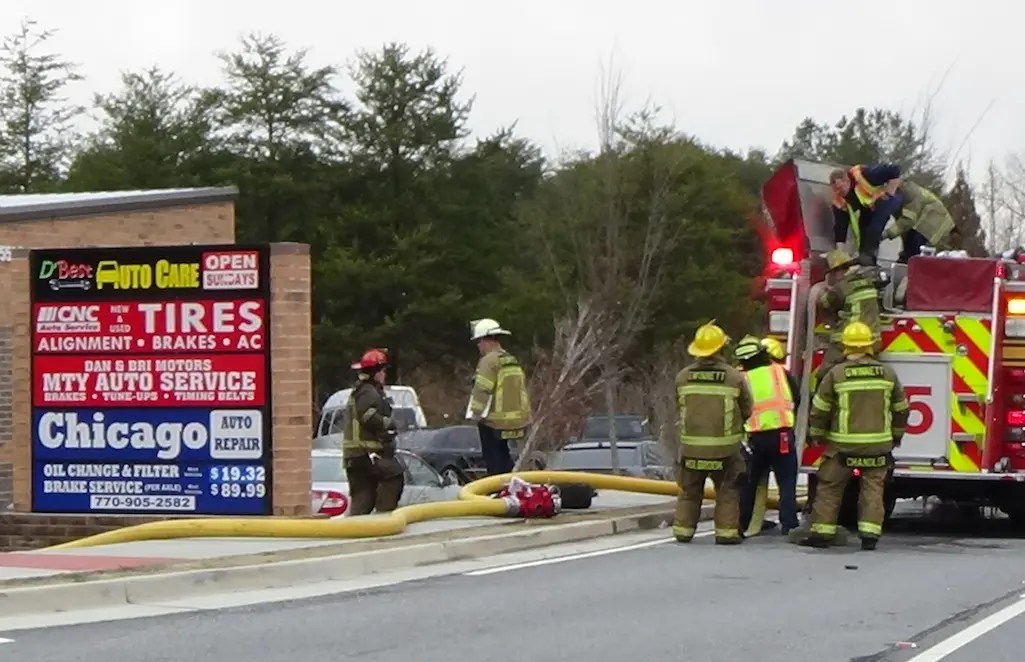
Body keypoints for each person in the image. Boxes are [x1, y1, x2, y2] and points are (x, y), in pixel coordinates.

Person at [801, 321, 909, 550]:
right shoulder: (887, 374)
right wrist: (896, 436)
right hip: (878, 446)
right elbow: (901, 409)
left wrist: (817, 435)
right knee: (873, 490)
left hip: (843, 447)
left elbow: (820, 409)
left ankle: (822, 533)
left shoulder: (836, 374)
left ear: (845, 346)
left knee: (830, 487)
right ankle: (870, 536)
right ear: (870, 346)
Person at [672, 321, 754, 545]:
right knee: (728, 490)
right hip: (725, 450)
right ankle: (726, 533)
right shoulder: (734, 377)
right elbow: (747, 409)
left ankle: (683, 531)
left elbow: (678, 406)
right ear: (721, 348)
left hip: (691, 449)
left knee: (689, 491)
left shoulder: (682, 377)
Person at [735, 336, 801, 536]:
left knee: (750, 484)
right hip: (782, 436)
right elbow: (796, 398)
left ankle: (743, 524)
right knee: (787, 483)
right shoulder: (780, 372)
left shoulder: (741, 378)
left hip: (754, 438)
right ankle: (789, 525)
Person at [342, 348, 405, 515]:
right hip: (366, 453)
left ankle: (358, 526)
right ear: (375, 372)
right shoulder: (368, 392)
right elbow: (368, 417)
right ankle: (383, 518)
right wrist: (389, 423)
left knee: (364, 499)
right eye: (383, 371)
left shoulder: (361, 390)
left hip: (355, 457)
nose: (384, 374)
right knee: (394, 475)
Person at [466, 318, 531, 476]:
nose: (478, 346)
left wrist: (475, 413)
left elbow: (482, 389)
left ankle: (497, 487)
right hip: (516, 421)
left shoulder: (489, 361)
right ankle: (509, 484)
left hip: (493, 421)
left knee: (493, 460)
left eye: (478, 342)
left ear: (485, 340)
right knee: (504, 456)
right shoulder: (511, 359)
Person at [814, 248, 882, 384]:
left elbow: (825, 303)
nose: (831, 278)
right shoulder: (867, 282)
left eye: (831, 274)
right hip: (873, 341)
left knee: (823, 373)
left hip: (849, 340)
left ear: (838, 271)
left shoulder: (842, 287)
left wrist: (823, 291)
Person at [830, 163, 902, 257]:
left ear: (847, 181)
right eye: (835, 189)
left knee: (874, 228)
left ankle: (870, 257)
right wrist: (839, 253)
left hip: (885, 199)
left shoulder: (866, 175)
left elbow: (895, 170)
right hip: (868, 207)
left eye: (840, 188)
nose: (838, 192)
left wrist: (889, 194)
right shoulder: (839, 200)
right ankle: (864, 258)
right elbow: (840, 228)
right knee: (863, 233)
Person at [881, 179, 955, 262]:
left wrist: (886, 234)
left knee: (914, 245)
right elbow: (902, 224)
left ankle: (910, 263)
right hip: (925, 217)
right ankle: (907, 261)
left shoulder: (909, 193)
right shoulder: (898, 193)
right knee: (910, 245)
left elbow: (908, 220)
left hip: (933, 217)